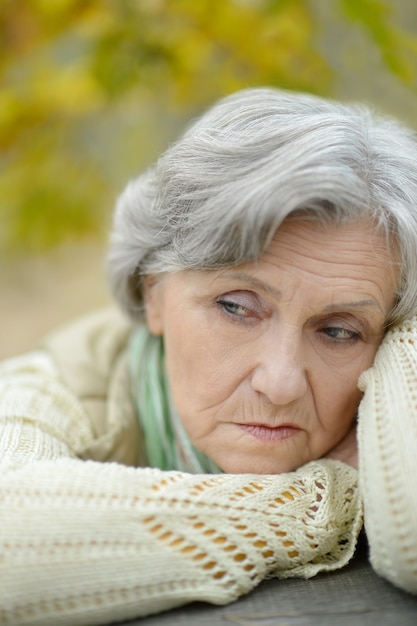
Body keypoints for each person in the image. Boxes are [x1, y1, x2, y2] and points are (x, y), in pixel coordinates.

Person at [1, 87, 417, 626]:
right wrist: (318, 504)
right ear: (152, 291)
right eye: (238, 307)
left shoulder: (385, 361)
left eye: (338, 330)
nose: (282, 381)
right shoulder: (54, 392)